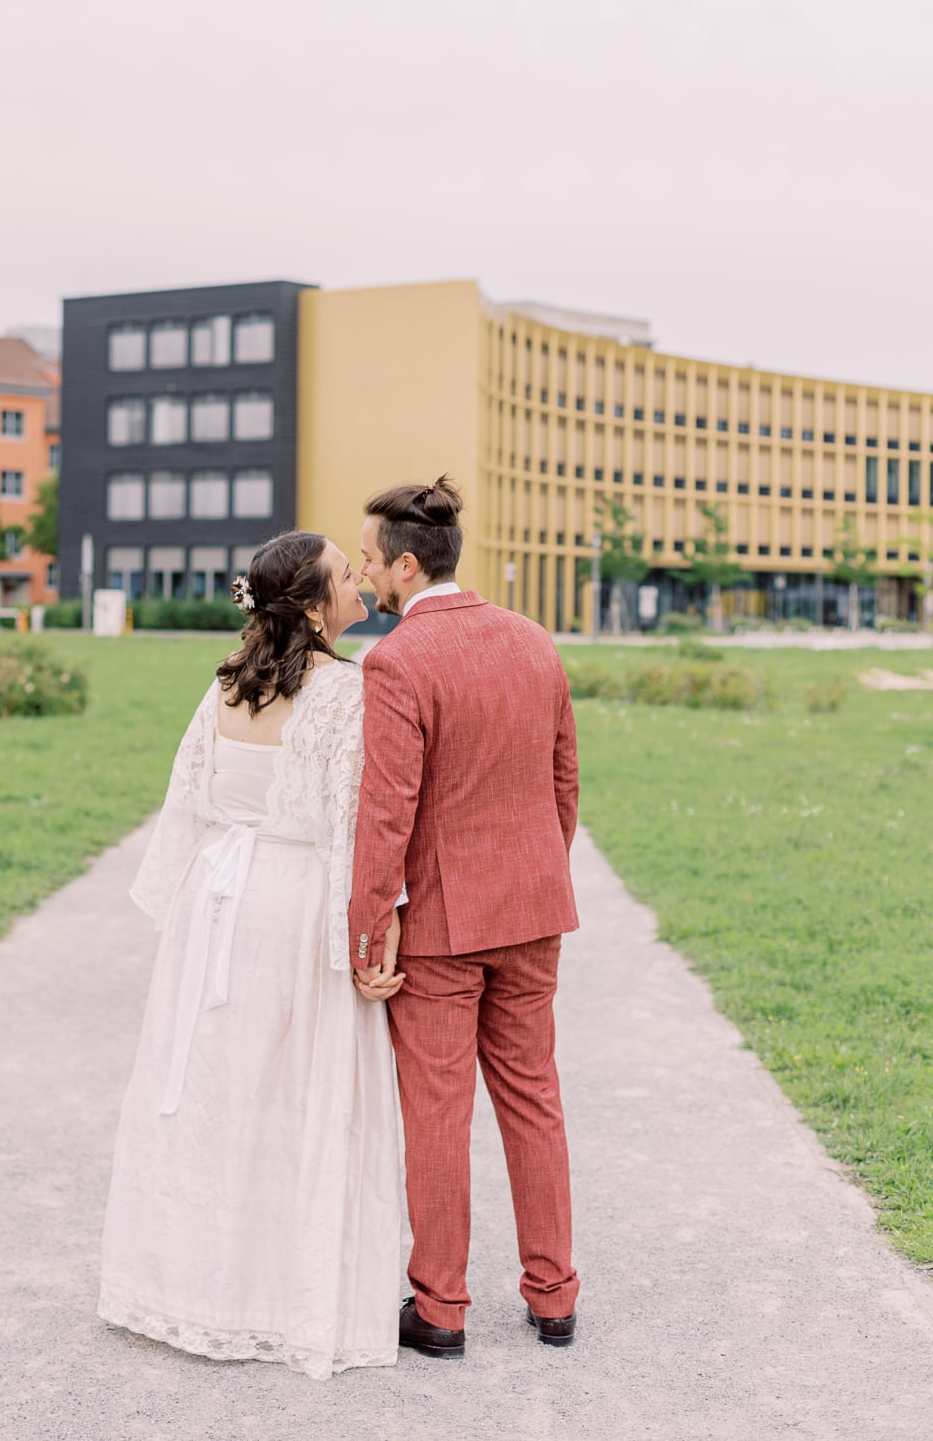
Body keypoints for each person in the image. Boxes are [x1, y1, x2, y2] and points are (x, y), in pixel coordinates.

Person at [99, 531, 405, 1381]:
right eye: (346, 574)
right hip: (291, 899)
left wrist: (189, 902)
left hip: (216, 899)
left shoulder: (226, 685)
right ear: (313, 605)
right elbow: (354, 822)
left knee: (216, 1087)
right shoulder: (344, 692)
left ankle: (196, 1280)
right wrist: (371, 932)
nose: (359, 581)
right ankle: (284, 1290)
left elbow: (188, 801)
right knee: (297, 1089)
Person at [350, 476, 581, 1360]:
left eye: (370, 558)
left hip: (442, 928)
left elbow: (387, 814)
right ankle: (554, 1296)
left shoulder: (397, 662)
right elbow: (564, 782)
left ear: (407, 566)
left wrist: (371, 934)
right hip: (532, 913)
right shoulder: (533, 639)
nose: (365, 573)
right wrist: (534, 874)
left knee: (440, 1113)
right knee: (535, 1099)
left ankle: (441, 1307)